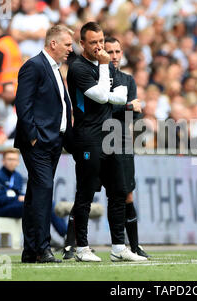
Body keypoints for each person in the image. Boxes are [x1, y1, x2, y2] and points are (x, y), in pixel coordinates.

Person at [66, 22, 146, 262]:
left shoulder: (106, 68)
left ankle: (119, 247)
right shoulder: (78, 68)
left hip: (110, 137)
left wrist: (111, 97)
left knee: (119, 192)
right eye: (93, 42)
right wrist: (105, 75)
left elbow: (120, 95)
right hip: (88, 137)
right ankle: (81, 248)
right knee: (86, 193)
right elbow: (102, 97)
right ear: (82, 44)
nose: (99, 47)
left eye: (101, 41)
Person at [14, 25, 74, 264]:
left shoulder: (54, 69)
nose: (71, 49)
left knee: (35, 194)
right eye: (68, 44)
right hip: (39, 142)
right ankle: (42, 248)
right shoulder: (34, 66)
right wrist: (33, 137)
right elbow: (23, 103)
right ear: (53, 44)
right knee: (43, 192)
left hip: (52, 141)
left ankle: (30, 250)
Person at [104, 36, 149, 258]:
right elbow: (102, 111)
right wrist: (128, 106)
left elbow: (132, 114)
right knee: (86, 193)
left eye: (117, 52)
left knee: (127, 195)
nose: (114, 56)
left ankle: (134, 245)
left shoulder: (128, 80)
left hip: (122, 142)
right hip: (99, 141)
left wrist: (128, 107)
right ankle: (73, 246)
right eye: (109, 51)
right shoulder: (96, 77)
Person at [0, 149, 67, 241]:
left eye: (14, 160)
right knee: (34, 205)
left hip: (17, 206)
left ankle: (65, 235)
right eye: (9, 159)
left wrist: (22, 197)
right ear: (3, 161)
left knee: (47, 203)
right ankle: (43, 239)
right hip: (1, 209)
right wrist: (17, 198)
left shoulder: (18, 176)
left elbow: (20, 194)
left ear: (18, 162)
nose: (12, 162)